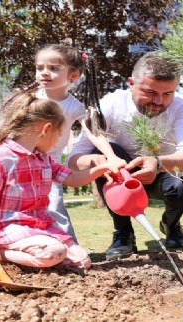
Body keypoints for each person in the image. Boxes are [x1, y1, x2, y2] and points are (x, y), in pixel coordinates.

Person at [66, 51, 183, 260]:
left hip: (163, 172)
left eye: (168, 94)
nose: (159, 101)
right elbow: (75, 158)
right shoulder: (111, 104)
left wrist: (157, 163)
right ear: (131, 83)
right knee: (105, 151)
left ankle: (171, 224)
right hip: (122, 175)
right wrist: (99, 162)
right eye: (150, 92)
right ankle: (123, 233)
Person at [0, 92, 126, 270]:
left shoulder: (43, 158)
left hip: (39, 227)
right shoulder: (0, 158)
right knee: (52, 252)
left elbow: (72, 179)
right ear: (46, 129)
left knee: (82, 260)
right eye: (59, 134)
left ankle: (30, 257)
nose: (58, 141)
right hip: (9, 228)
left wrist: (103, 168)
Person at [33, 43, 120, 243]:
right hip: (21, 161)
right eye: (40, 68)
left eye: (53, 68)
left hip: (49, 164)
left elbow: (94, 132)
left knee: (54, 205)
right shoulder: (29, 99)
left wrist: (112, 156)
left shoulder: (74, 106)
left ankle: (70, 248)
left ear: (73, 76)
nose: (44, 73)